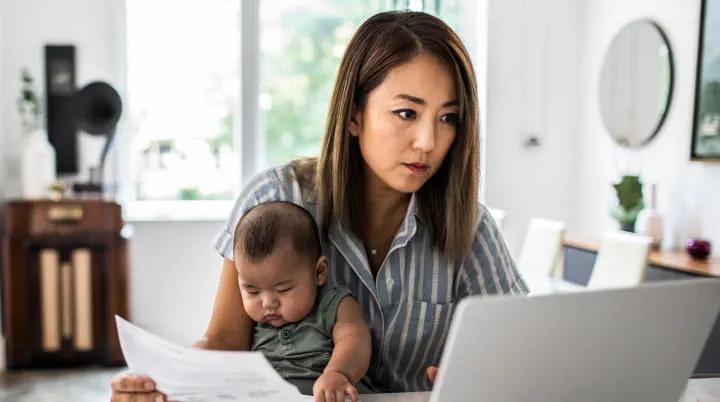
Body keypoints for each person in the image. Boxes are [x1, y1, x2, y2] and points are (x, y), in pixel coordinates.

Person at [110, 9, 528, 402]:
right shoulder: (275, 199)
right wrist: (165, 384)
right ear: (353, 115)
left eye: (448, 118)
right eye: (406, 113)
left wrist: (480, 384)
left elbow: (521, 359)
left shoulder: (470, 226)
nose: (428, 142)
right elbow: (224, 343)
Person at [232, 201, 373, 400]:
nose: (267, 303)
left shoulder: (335, 304)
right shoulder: (253, 321)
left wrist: (338, 373)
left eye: (283, 289)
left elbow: (355, 339)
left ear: (319, 272)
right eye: (252, 291)